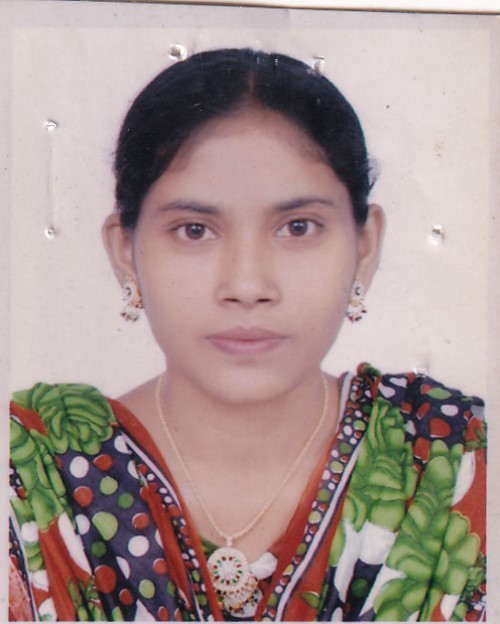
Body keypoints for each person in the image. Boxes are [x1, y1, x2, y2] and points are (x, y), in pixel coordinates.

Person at [9, 48, 486, 622]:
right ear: (125, 252)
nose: (247, 285)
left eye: (298, 227)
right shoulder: (30, 475)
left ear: (364, 247)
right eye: (194, 230)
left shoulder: (456, 457)